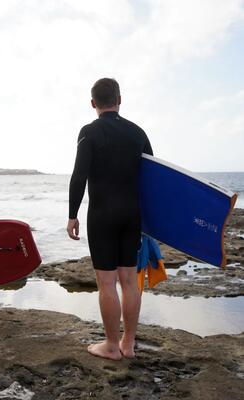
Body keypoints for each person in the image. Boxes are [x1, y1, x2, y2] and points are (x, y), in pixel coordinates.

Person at [67, 78, 153, 360]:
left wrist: (72, 215)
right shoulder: (137, 133)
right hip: (132, 214)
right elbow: (154, 178)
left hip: (102, 214)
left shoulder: (89, 132)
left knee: (106, 283)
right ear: (119, 98)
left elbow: (79, 176)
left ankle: (111, 346)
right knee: (129, 279)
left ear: (93, 103)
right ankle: (128, 344)